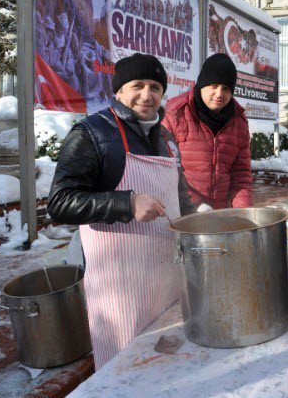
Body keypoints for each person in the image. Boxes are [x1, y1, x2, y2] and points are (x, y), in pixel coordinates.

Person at [47, 53, 195, 369]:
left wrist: (198, 219)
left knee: (162, 362)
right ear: (118, 91)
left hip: (164, 274)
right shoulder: (91, 133)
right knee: (123, 368)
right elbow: (60, 203)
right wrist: (126, 203)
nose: (147, 94)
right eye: (137, 85)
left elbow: (179, 195)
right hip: (119, 284)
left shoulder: (166, 137)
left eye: (155, 86)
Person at [163, 53, 252, 209]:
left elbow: (241, 176)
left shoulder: (239, 122)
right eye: (214, 86)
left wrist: (242, 212)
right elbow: (167, 170)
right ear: (202, 84)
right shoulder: (175, 114)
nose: (219, 94)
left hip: (221, 216)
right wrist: (196, 206)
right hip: (183, 212)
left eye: (226, 88)